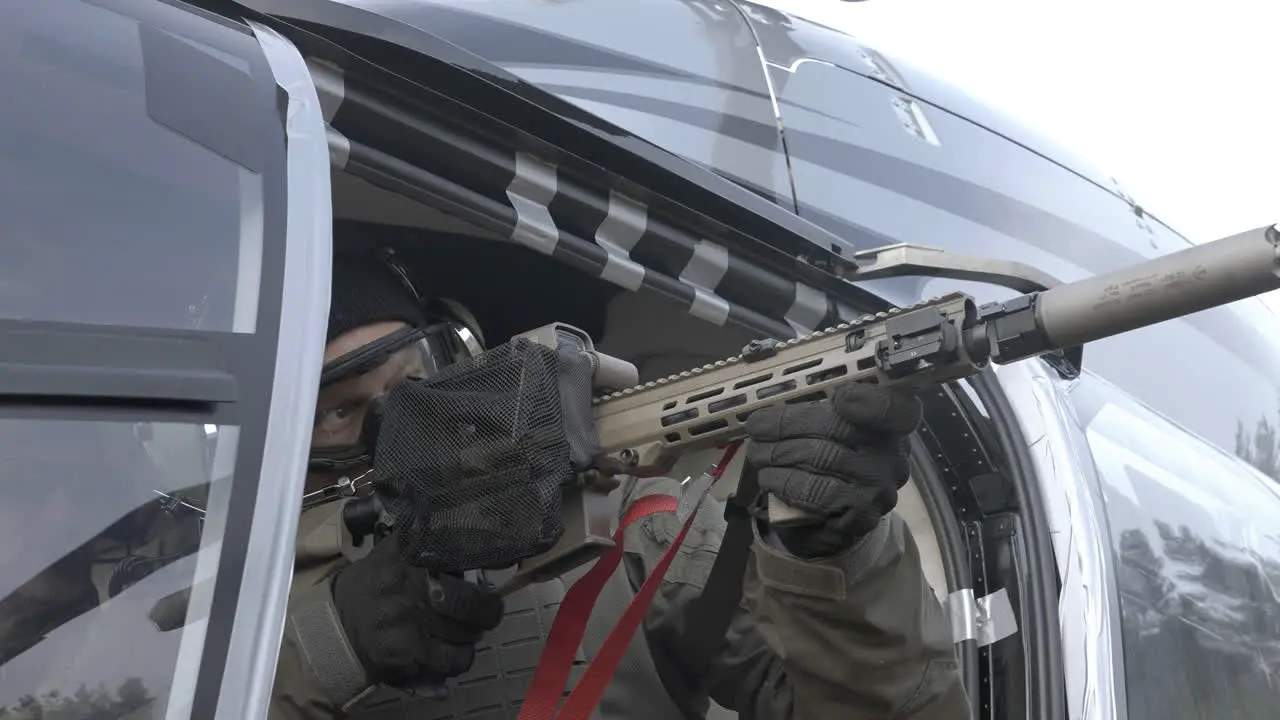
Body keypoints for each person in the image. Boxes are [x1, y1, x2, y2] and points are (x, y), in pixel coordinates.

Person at [270, 246, 971, 719]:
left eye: (414, 380)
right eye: (341, 411)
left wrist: (836, 556)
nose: (395, 425)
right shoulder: (226, 573)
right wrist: (328, 645)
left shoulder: (643, 527)